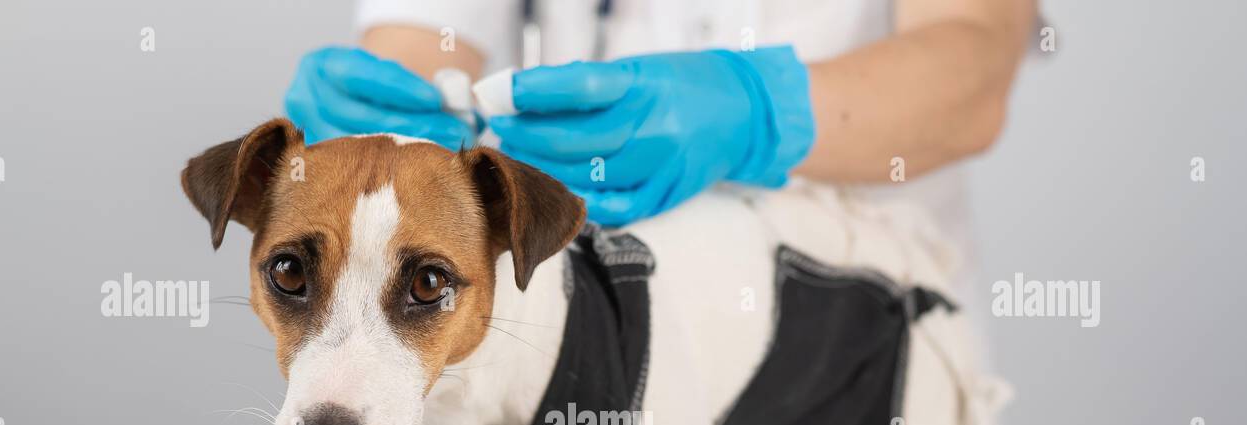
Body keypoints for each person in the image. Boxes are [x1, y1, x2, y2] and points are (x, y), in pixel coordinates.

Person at [285, 0, 1036, 286]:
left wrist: (754, 110)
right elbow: (426, 39)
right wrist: (391, 117)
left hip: (849, 353)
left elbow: (972, 71)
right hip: (577, 377)